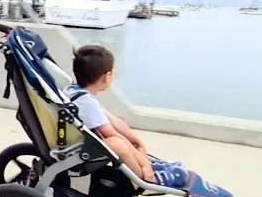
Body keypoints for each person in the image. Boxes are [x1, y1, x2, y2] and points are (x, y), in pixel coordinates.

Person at [63, 45, 188, 188]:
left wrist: (137, 141)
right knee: (118, 144)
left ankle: (146, 163)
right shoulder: (87, 103)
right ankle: (146, 176)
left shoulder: (75, 92)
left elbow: (112, 119)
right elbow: (111, 134)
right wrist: (143, 162)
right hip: (81, 150)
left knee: (120, 131)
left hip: (80, 141)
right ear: (107, 77)